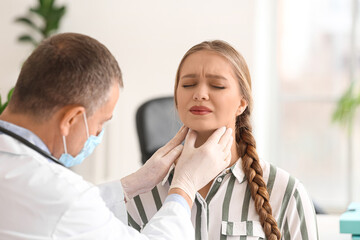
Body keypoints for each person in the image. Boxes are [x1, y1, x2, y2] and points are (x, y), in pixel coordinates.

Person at [0, 33, 234, 240]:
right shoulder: (60, 195)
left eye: (218, 86)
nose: (97, 134)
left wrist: (130, 185)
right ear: (71, 120)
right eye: (100, 123)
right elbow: (65, 208)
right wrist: (185, 186)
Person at [126, 40, 319, 240]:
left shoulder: (285, 192)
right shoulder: (141, 194)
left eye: (217, 86)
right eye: (188, 85)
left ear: (242, 103)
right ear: (177, 98)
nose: (199, 94)